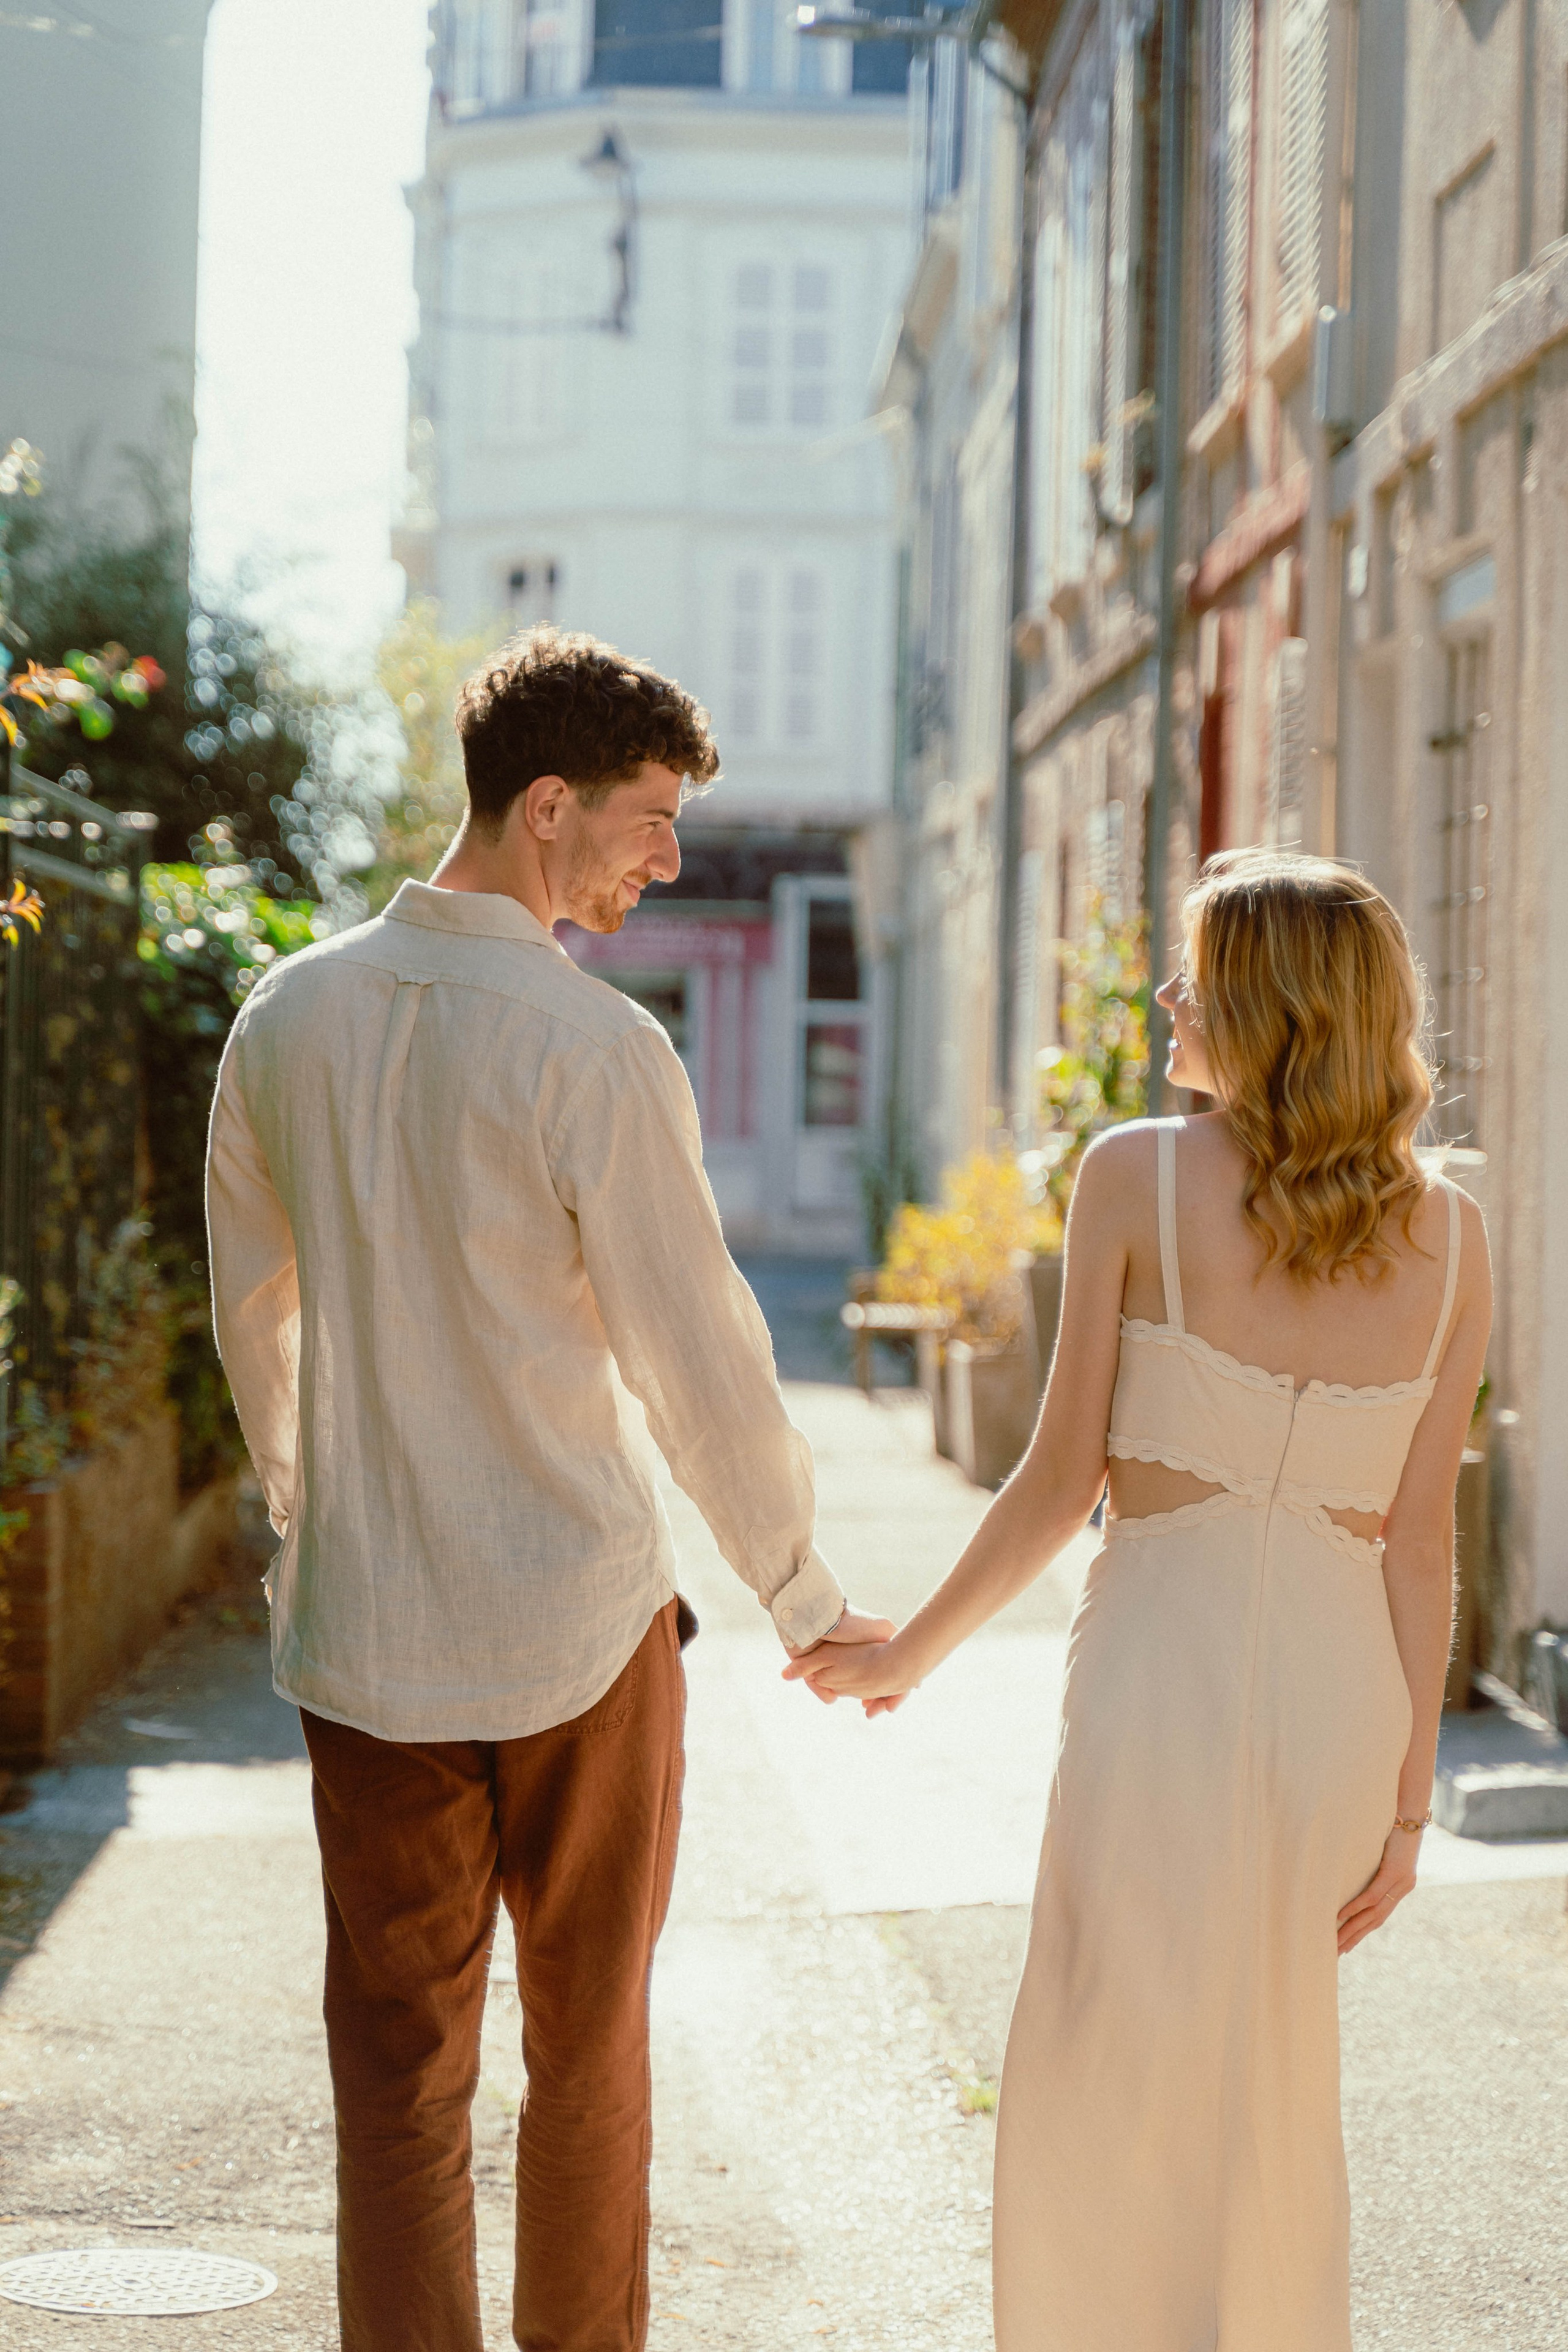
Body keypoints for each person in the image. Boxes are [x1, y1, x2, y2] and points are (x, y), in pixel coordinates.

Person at [205, 627, 890, 2352]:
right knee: (590, 2064)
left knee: (397, 2081)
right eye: (652, 819)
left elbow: (251, 1315)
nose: (669, 856)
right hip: (581, 1640)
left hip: (371, 1643)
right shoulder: (595, 1053)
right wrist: (802, 1596)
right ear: (551, 807)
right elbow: (700, 1363)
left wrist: (316, 1528)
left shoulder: (284, 1018)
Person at [789, 849, 1491, 2351]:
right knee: (1267, 2080)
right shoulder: (1452, 1238)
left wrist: (901, 1655)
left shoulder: (1130, 1175)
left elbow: (1054, 1484)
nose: (1164, 995)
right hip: (1337, 1707)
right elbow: (1419, 1538)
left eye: (1191, 973)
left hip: (1158, 1683)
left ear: (1264, 1006)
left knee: (1103, 2071)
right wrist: (1408, 1804)